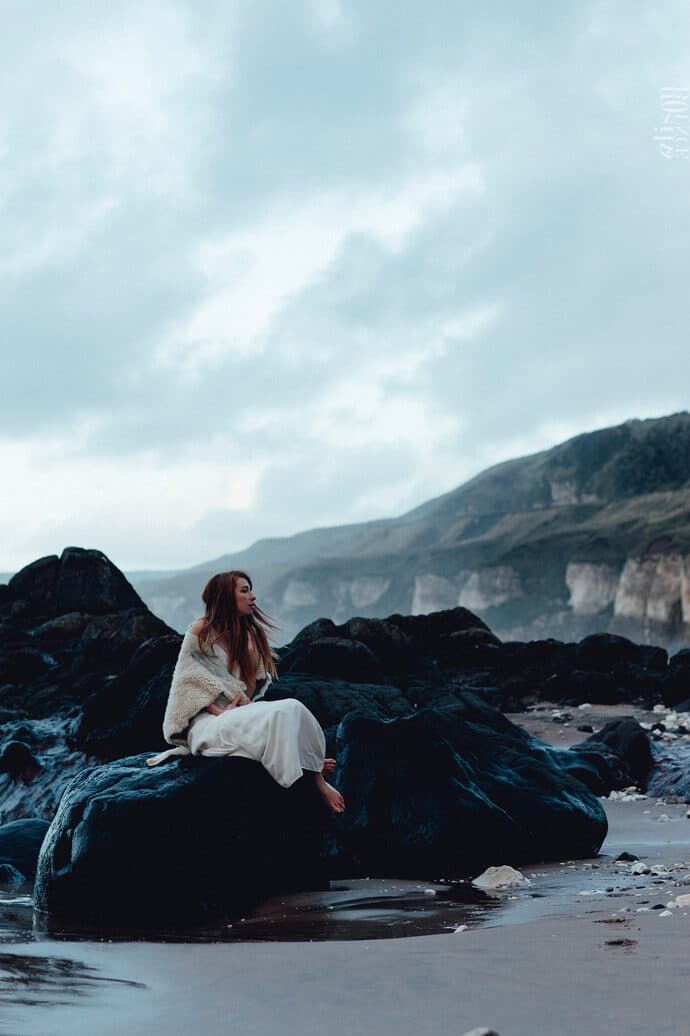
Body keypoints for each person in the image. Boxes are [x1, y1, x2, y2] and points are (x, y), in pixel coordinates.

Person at [147, 570, 345, 814]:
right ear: (226, 596)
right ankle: (301, 775)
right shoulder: (200, 629)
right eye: (244, 591)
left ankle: (315, 776)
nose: (252, 597)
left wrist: (250, 653)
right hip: (206, 722)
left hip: (237, 710)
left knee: (293, 707)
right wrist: (218, 710)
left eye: (250, 590)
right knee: (277, 718)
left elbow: (248, 690)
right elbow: (188, 680)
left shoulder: (249, 635)